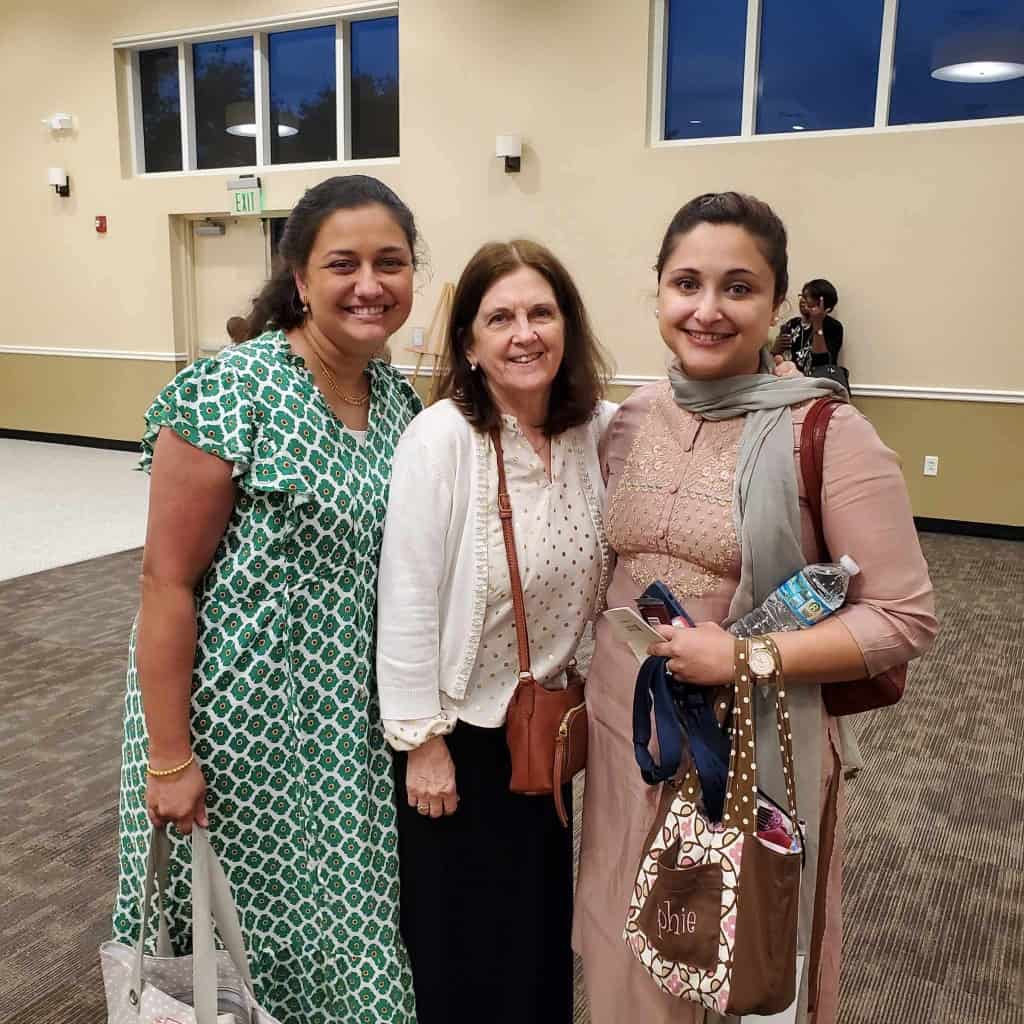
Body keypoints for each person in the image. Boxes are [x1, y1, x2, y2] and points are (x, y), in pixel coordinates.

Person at [573, 193, 937, 1024]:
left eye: (737, 288)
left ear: (776, 305)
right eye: (686, 283)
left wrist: (746, 659)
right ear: (657, 291)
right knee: (625, 941)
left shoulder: (827, 432)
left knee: (734, 952)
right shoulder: (630, 418)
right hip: (628, 739)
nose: (706, 309)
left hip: (750, 744)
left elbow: (905, 617)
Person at [111, 174, 423, 1024]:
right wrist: (171, 758)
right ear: (299, 278)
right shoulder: (227, 393)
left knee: (351, 929)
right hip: (233, 729)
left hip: (347, 734)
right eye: (343, 264)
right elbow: (166, 583)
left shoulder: (398, 401)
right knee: (238, 954)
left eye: (390, 263)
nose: (369, 284)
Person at [376, 240, 615, 1023]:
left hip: (544, 732)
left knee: (538, 932)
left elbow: (690, 417)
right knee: (461, 946)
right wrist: (422, 743)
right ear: (470, 345)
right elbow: (406, 598)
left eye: (541, 312)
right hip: (460, 741)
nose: (524, 334)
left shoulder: (596, 432)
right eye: (500, 317)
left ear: (568, 326)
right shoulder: (443, 439)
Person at [774, 278, 843, 375]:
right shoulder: (791, 324)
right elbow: (777, 360)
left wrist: (818, 324)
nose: (802, 300)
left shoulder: (833, 327)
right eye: (802, 296)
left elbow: (824, 363)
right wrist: (775, 349)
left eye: (808, 297)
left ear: (822, 303)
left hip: (818, 384)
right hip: (789, 381)